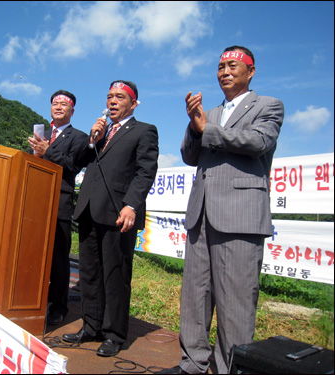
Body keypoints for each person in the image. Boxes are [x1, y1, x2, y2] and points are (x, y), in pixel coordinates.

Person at [160, 46, 284, 374]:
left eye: (232, 65)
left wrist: (206, 128)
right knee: (195, 298)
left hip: (240, 215)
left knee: (236, 304)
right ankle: (192, 364)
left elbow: (258, 142)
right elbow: (189, 155)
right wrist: (193, 124)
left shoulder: (269, 106)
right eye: (220, 67)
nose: (225, 72)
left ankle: (231, 368)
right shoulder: (209, 113)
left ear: (251, 71)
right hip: (201, 214)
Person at [62, 80, 159, 357]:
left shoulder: (144, 130)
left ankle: (114, 334)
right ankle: (91, 327)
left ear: (133, 103)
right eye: (109, 97)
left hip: (118, 213)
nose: (112, 101)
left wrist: (131, 205)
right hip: (90, 209)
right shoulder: (101, 133)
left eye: (119, 97)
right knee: (90, 273)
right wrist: (93, 137)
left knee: (115, 275)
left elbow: (145, 171)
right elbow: (80, 161)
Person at [28, 90, 88, 326]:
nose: (59, 107)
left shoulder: (79, 137)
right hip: (35, 201)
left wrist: (47, 151)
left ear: (72, 110)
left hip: (59, 203)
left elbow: (73, 167)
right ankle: (32, 299)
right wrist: (34, 154)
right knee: (33, 253)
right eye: (55, 103)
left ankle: (58, 307)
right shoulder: (41, 133)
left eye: (64, 104)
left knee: (58, 258)